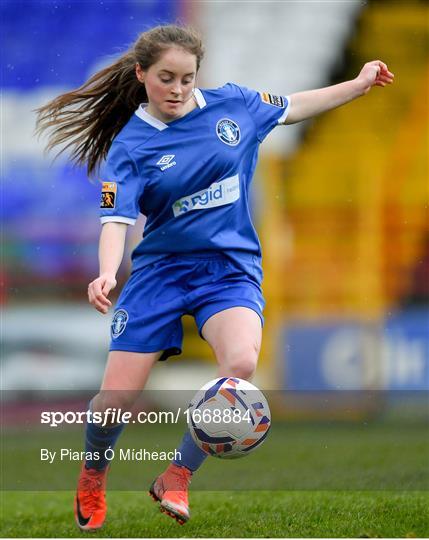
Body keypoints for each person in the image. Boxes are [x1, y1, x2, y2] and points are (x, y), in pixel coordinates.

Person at [36, 24, 394, 532]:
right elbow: (116, 220)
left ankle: (177, 475)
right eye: (166, 78)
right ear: (142, 75)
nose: (178, 89)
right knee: (115, 399)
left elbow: (292, 106)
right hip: (160, 273)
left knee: (241, 363)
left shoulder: (235, 106)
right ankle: (93, 472)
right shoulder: (130, 146)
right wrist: (104, 272)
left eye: (187, 78)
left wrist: (357, 84)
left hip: (228, 270)